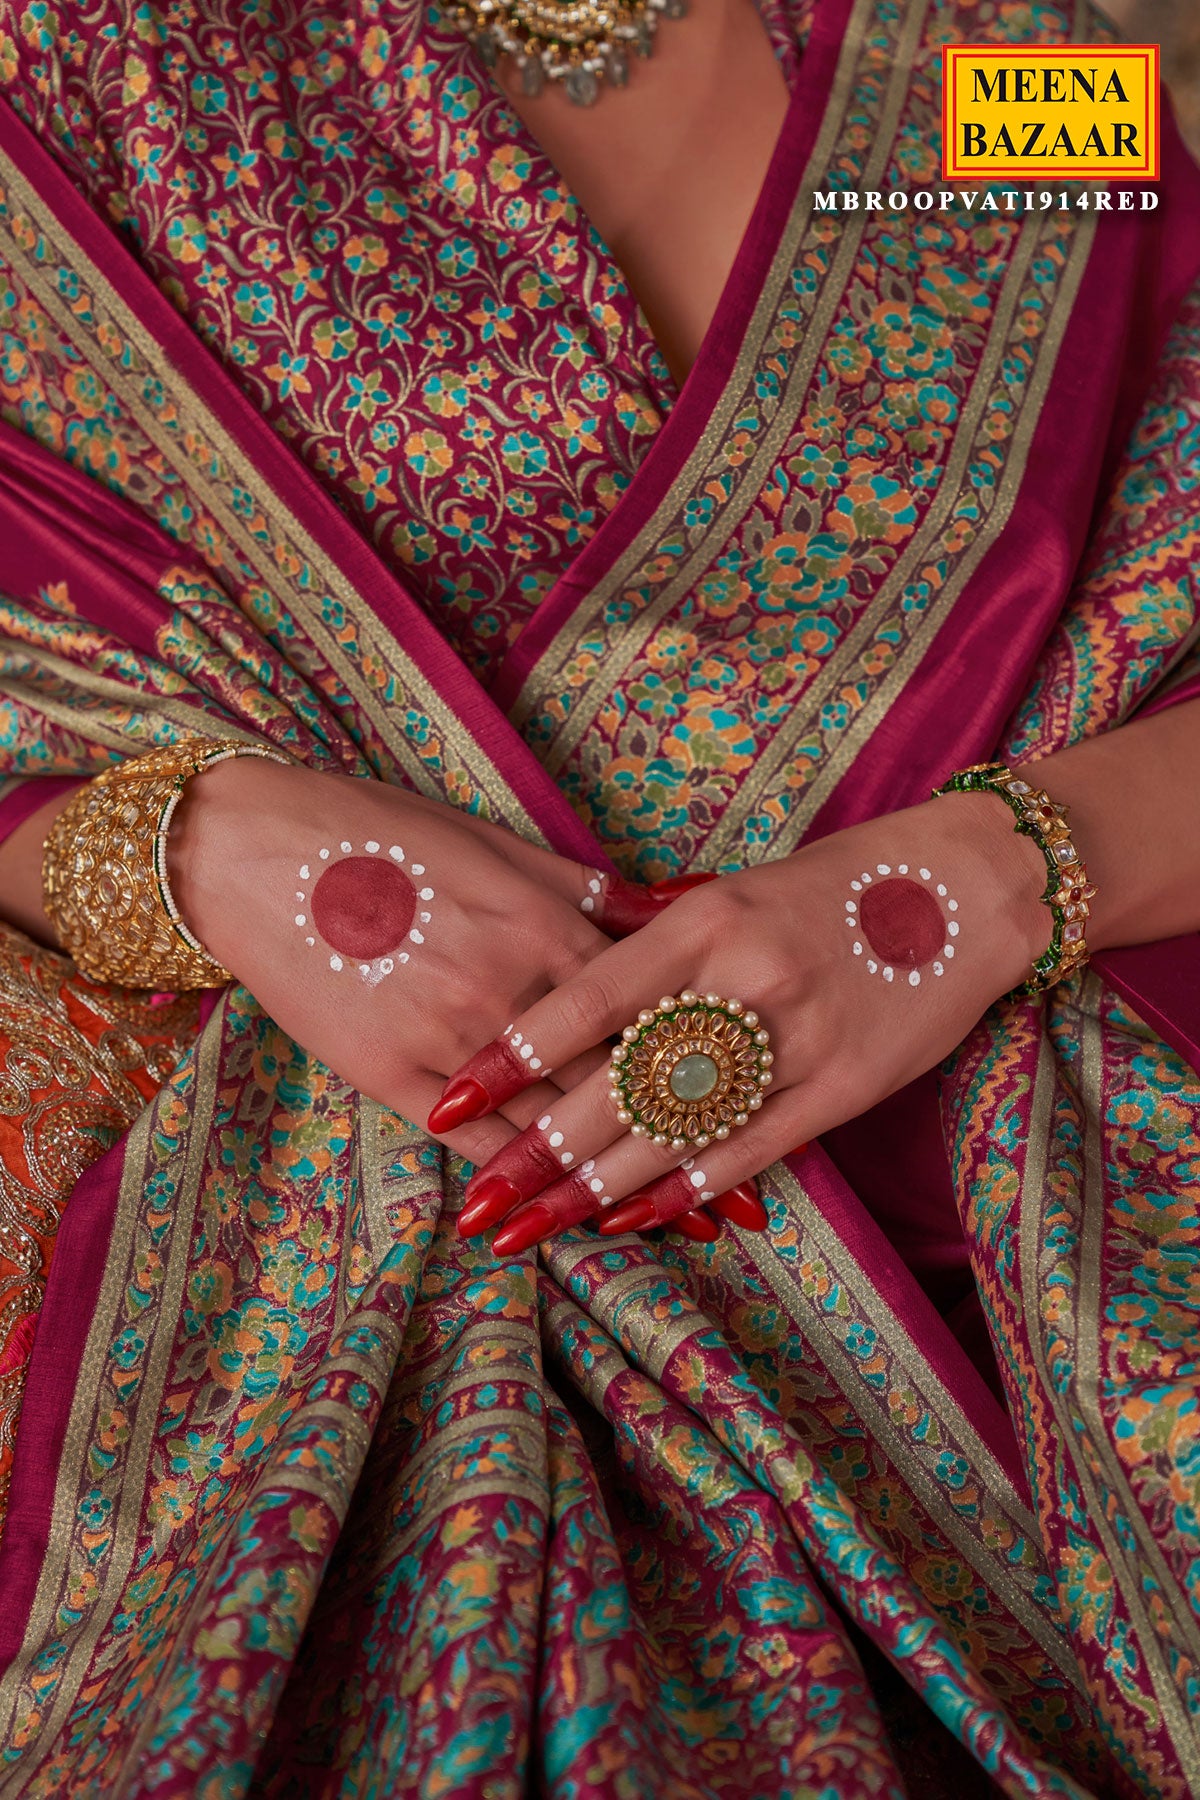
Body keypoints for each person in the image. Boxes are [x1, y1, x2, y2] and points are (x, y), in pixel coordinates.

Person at [0, 0, 1197, 1790]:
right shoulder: (85, 66)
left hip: (1032, 1218)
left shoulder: (996, 74)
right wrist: (204, 849)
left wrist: (980, 881)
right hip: (342, 1241)